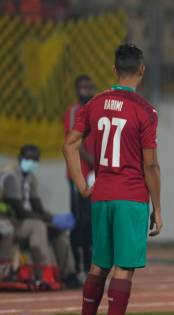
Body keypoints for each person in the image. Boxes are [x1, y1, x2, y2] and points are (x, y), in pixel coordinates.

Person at [64, 43, 163, 315]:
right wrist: (158, 209)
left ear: (114, 70)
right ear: (142, 71)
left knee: (98, 265)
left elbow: (70, 144)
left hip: (102, 194)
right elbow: (150, 164)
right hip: (131, 195)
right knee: (124, 266)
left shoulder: (94, 103)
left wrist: (82, 184)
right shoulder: (145, 111)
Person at [0, 145, 78, 290]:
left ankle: (69, 275)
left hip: (26, 222)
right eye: (28, 158)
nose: (32, 162)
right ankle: (43, 273)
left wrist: (54, 219)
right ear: (20, 158)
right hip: (10, 222)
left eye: (35, 159)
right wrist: (47, 220)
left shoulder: (31, 178)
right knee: (38, 226)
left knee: (58, 232)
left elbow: (38, 207)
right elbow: (19, 211)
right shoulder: (10, 176)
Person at [64, 74, 96, 281]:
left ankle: (90, 268)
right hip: (80, 174)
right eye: (82, 87)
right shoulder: (74, 112)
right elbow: (72, 142)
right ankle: (79, 269)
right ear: (76, 90)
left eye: (89, 86)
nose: (86, 90)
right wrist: (93, 160)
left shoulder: (96, 110)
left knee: (93, 222)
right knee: (80, 222)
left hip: (96, 175)